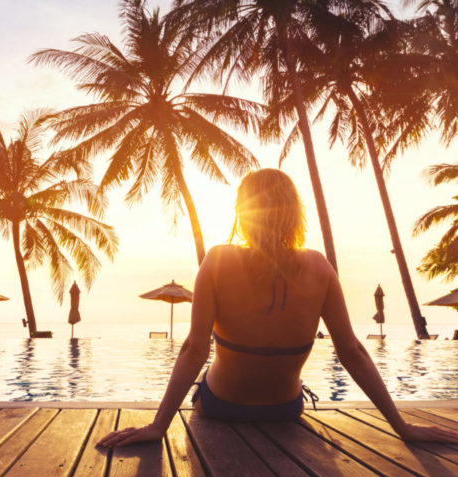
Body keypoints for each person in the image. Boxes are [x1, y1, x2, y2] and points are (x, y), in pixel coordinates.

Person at [99, 169, 458, 447]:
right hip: (285, 410)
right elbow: (352, 351)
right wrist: (403, 427)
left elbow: (195, 349)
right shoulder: (319, 266)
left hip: (221, 406)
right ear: (294, 213)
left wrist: (158, 426)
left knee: (210, 369)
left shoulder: (218, 259)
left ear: (243, 212)